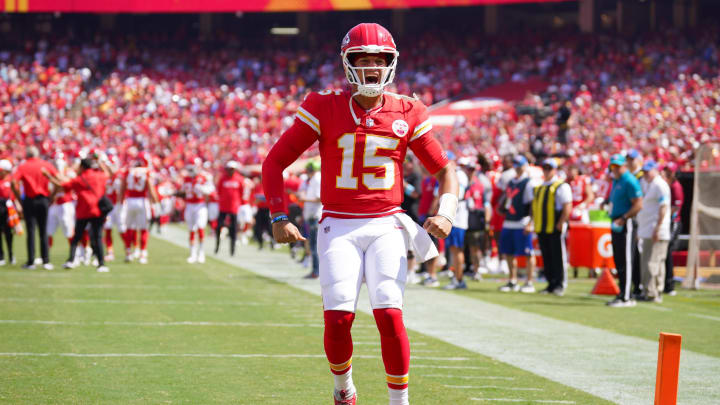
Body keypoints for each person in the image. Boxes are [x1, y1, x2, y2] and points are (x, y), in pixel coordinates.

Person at [261, 23, 458, 405]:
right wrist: (278, 215)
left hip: (387, 223)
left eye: (378, 61)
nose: (370, 69)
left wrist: (446, 212)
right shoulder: (323, 106)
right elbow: (275, 162)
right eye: (362, 60)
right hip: (338, 224)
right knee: (338, 318)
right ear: (348, 64)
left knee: (388, 313)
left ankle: (399, 402)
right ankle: (343, 388)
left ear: (391, 64)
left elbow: (445, 169)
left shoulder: (408, 110)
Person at [44, 157, 111, 272]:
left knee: (76, 238)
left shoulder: (80, 179)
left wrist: (48, 176)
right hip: (97, 211)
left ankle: (71, 260)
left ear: (82, 167)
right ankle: (101, 264)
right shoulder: (99, 176)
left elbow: (62, 185)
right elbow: (108, 174)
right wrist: (100, 162)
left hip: (83, 211)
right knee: (98, 237)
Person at [11, 146, 58, 270]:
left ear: (27, 154)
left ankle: (31, 261)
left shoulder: (23, 166)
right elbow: (57, 179)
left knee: (31, 231)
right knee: (43, 231)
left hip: (29, 200)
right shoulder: (46, 164)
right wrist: (52, 196)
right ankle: (46, 260)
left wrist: (19, 199)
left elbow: (12, 182)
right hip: (43, 199)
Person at [531, 158, 572, 296]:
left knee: (558, 256)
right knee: (547, 257)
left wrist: (561, 222)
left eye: (550, 168)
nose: (547, 171)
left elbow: (567, 205)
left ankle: (560, 284)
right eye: (545, 168)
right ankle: (550, 284)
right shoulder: (540, 186)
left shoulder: (561, 186)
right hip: (542, 226)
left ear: (555, 170)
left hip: (554, 226)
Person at [607, 154, 643, 307]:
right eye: (612, 166)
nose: (614, 169)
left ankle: (627, 296)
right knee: (619, 260)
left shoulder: (629, 180)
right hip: (616, 222)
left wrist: (624, 217)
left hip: (626, 223)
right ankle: (622, 292)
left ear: (624, 166)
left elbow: (638, 204)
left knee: (626, 260)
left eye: (617, 166)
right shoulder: (616, 180)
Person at [498, 155, 538, 293]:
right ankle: (512, 280)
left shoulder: (528, 182)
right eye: (515, 165)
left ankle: (529, 281)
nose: (517, 168)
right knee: (508, 252)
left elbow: (533, 204)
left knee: (527, 253)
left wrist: (530, 223)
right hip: (509, 220)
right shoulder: (511, 181)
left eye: (519, 165)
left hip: (522, 221)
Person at [637, 160, 671, 303]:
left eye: (647, 171)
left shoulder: (660, 185)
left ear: (655, 170)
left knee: (653, 262)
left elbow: (663, 207)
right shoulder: (647, 183)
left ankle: (653, 292)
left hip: (656, 230)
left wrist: (657, 228)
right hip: (647, 229)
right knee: (649, 262)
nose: (645, 174)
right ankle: (649, 290)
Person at [119, 153, 160, 264]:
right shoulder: (146, 172)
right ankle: (142, 253)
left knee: (129, 227)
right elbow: (150, 188)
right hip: (142, 201)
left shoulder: (129, 171)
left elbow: (123, 187)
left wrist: (120, 202)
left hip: (129, 201)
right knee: (143, 228)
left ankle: (128, 252)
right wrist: (156, 203)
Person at [444, 157, 470, 290]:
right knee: (454, 250)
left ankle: (458, 279)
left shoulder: (459, 175)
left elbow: (458, 196)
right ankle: (457, 278)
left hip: (457, 217)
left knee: (456, 250)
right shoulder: (458, 174)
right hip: (456, 217)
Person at [182, 160, 213, 264]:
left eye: (191, 168)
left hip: (200, 205)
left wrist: (202, 188)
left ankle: (201, 253)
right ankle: (192, 254)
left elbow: (211, 190)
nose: (190, 171)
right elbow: (183, 191)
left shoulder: (204, 177)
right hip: (189, 205)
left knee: (200, 228)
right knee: (191, 229)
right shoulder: (186, 178)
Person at [661, 162, 683, 296]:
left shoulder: (675, 187)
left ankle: (669, 284)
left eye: (670, 171)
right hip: (666, 221)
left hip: (672, 222)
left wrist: (662, 215)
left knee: (667, 251)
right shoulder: (667, 185)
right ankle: (665, 283)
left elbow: (675, 208)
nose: (668, 173)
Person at [215, 161, 245, 256]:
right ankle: (217, 246)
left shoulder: (239, 179)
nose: (230, 171)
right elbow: (219, 191)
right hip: (223, 207)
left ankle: (232, 250)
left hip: (234, 208)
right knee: (219, 227)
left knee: (233, 229)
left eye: (232, 169)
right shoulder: (222, 179)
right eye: (228, 169)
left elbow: (241, 192)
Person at [300, 160, 322, 278]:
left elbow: (319, 199)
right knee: (314, 245)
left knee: (314, 246)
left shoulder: (317, 179)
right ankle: (316, 271)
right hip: (313, 215)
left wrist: (304, 199)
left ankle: (316, 271)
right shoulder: (315, 179)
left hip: (315, 215)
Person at [0, 159, 16, 266]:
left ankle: (11, 254)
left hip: (8, 208)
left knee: (9, 232)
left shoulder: (10, 180)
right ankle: (1, 256)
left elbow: (14, 193)